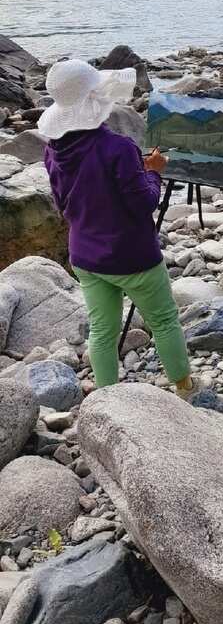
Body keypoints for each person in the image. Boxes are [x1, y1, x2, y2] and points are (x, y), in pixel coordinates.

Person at [38, 59, 193, 399]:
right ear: (97, 101)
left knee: (103, 331)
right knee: (165, 321)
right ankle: (184, 390)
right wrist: (153, 172)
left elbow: (63, 203)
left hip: (85, 255)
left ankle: (108, 400)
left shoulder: (53, 151)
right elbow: (143, 204)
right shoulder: (118, 148)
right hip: (132, 256)